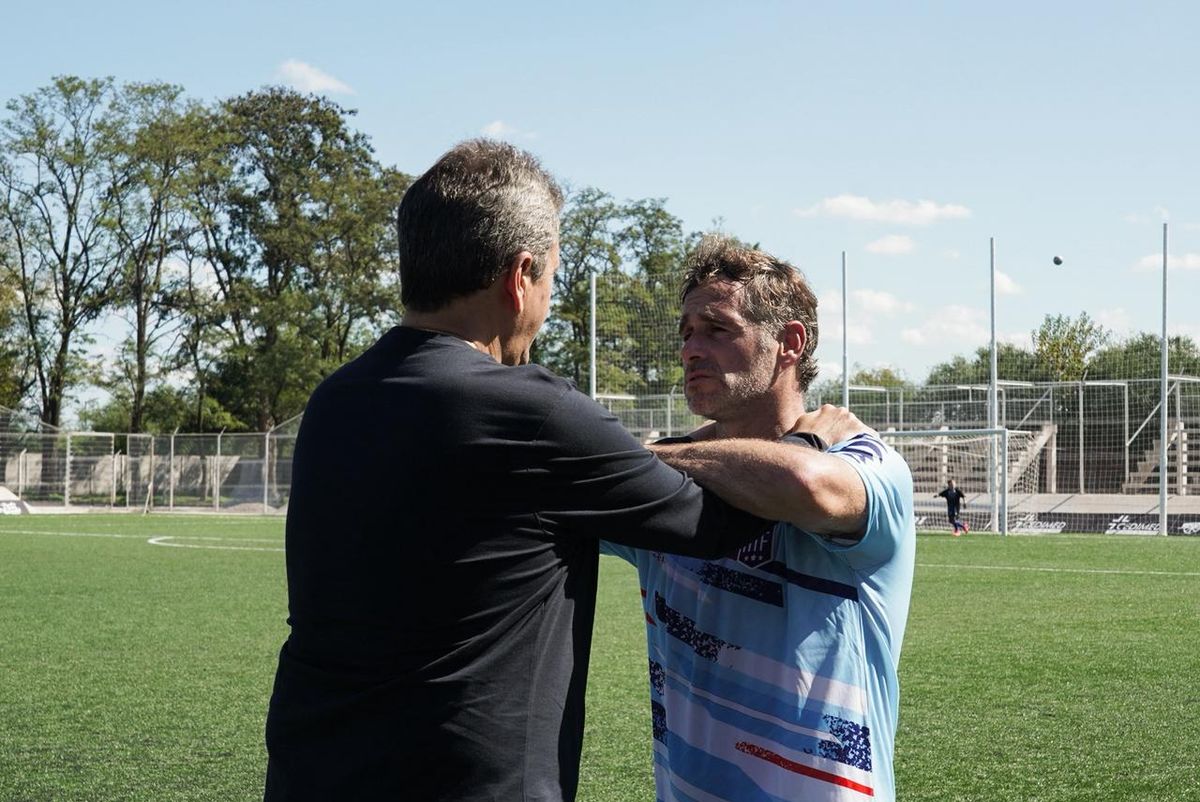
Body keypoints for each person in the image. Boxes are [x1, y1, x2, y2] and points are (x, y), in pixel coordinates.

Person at [263, 141, 826, 801]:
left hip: (308, 776)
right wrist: (814, 442)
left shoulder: (336, 399)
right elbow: (726, 521)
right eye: (554, 275)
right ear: (520, 275)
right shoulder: (527, 410)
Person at [603, 237, 916, 802]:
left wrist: (644, 457)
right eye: (686, 332)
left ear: (789, 343)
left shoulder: (865, 460)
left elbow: (805, 485)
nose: (691, 349)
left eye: (717, 329)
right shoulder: (669, 479)